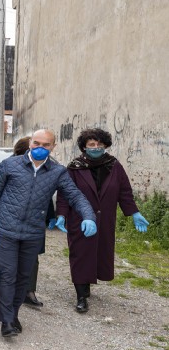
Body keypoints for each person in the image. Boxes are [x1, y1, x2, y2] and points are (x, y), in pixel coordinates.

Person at [0, 129, 97, 338]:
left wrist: (88, 216)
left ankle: (13, 314)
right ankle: (6, 321)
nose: (40, 148)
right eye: (36, 143)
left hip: (33, 232)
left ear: (53, 147)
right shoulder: (9, 165)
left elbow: (75, 196)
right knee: (7, 275)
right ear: (30, 142)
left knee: (23, 277)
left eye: (46, 145)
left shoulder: (57, 172)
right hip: (5, 229)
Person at [55, 128, 149, 313]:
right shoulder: (74, 167)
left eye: (99, 144)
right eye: (91, 144)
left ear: (106, 145)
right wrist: (61, 215)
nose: (96, 147)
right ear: (84, 147)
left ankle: (88, 283)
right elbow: (64, 194)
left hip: (105, 217)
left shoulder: (114, 165)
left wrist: (134, 212)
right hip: (80, 218)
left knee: (99, 252)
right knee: (80, 254)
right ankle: (81, 296)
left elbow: (124, 192)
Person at [12, 136, 56, 308]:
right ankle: (11, 290)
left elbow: (47, 195)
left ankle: (28, 292)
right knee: (11, 256)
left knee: (32, 257)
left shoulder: (47, 168)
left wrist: (51, 216)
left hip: (35, 221)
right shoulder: (11, 165)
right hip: (13, 220)